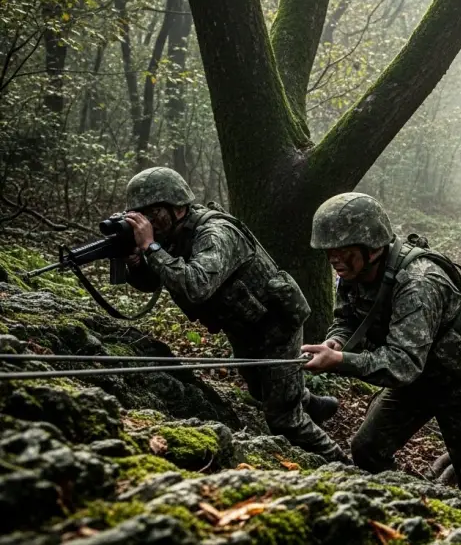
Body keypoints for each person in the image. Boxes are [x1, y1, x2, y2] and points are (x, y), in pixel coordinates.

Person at [300, 193, 461, 528]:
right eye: (329, 251)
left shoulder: (419, 282)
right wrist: (336, 340)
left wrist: (340, 360)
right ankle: (415, 511)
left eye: (343, 250)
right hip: (417, 378)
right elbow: (347, 318)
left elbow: (401, 365)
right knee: (367, 449)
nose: (335, 259)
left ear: (372, 246)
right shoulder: (353, 272)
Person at [120, 166, 345, 462]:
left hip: (277, 321)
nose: (148, 222)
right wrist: (138, 260)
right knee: (259, 387)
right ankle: (310, 403)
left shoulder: (216, 233)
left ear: (178, 208)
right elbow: (152, 282)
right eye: (141, 215)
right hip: (243, 323)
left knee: (283, 419)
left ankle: (343, 463)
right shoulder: (173, 235)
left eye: (153, 213)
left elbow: (195, 286)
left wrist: (151, 247)